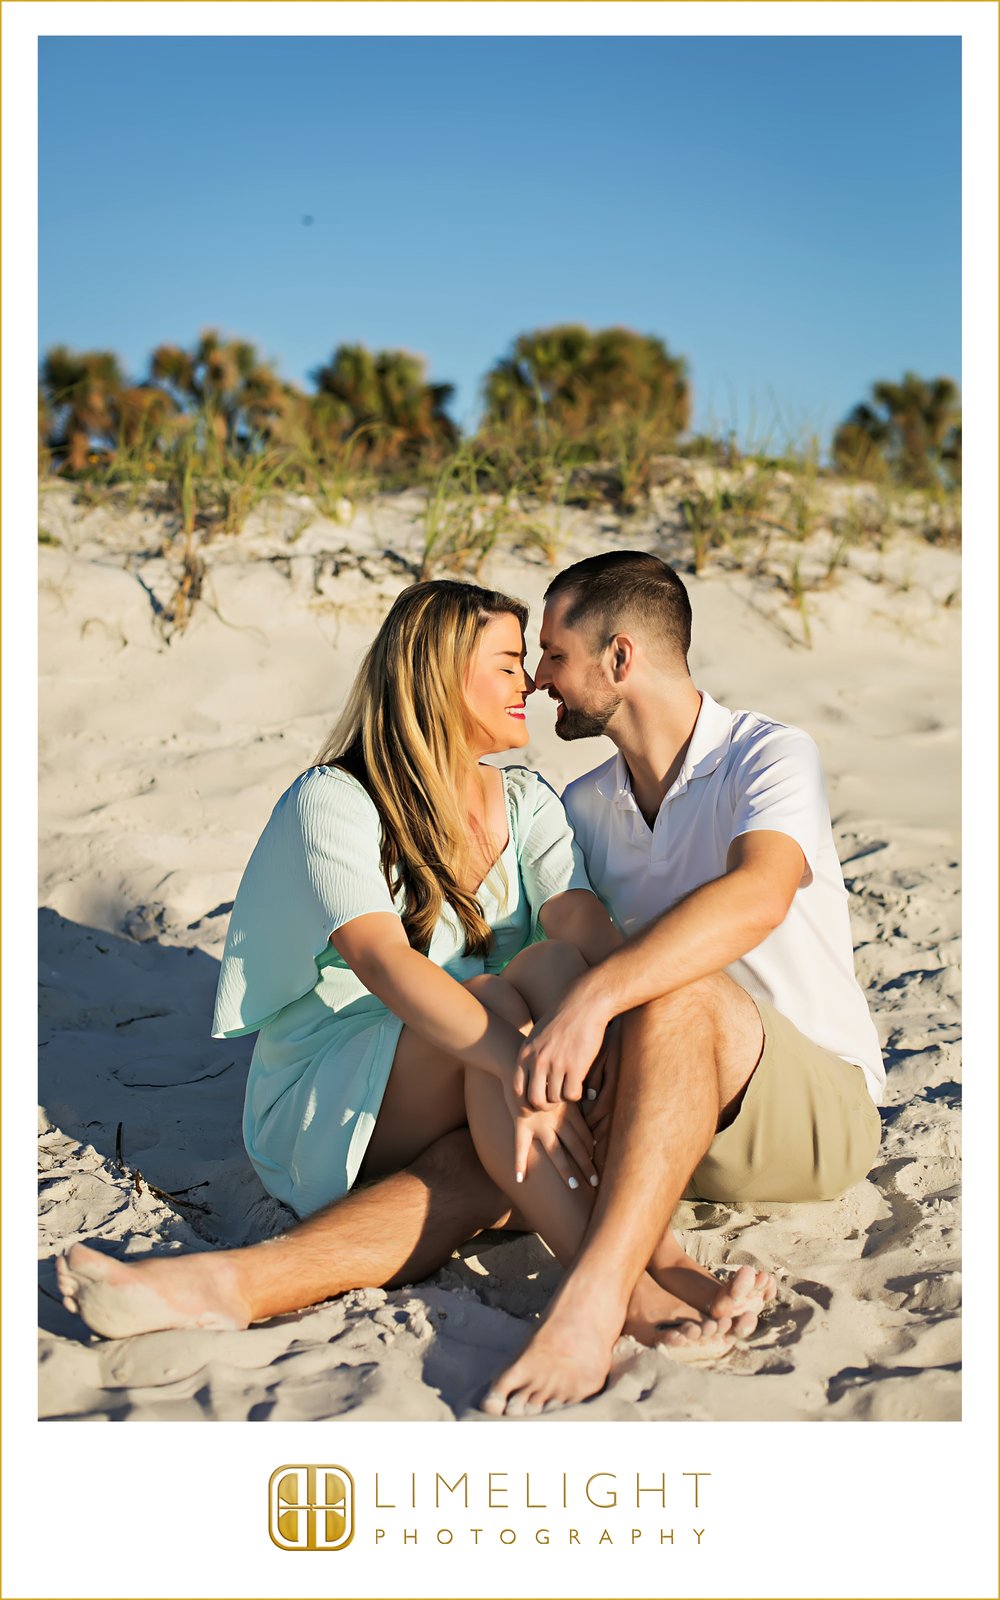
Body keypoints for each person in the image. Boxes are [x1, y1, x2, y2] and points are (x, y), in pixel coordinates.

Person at [57, 575, 760, 1362]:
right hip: (337, 1093)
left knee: (549, 990)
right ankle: (639, 1280)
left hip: (487, 1084)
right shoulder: (334, 799)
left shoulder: (527, 803)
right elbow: (387, 964)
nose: (529, 680)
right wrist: (524, 1063)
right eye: (506, 662)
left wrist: (636, 1036)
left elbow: (581, 927)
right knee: (498, 995)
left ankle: (227, 1287)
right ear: (436, 674)